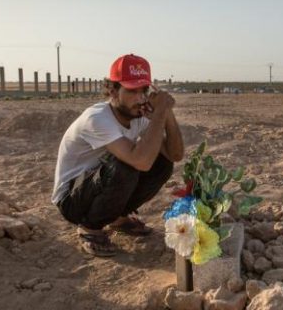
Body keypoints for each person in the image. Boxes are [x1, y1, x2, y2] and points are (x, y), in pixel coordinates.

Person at [51, 54, 184, 256]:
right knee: (128, 165)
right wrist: (158, 115)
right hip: (72, 200)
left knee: (162, 163)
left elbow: (174, 154)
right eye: (132, 90)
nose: (140, 98)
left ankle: (117, 218)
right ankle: (90, 228)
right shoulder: (97, 119)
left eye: (144, 90)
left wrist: (167, 114)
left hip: (97, 185)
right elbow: (140, 161)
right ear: (113, 90)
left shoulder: (137, 115)